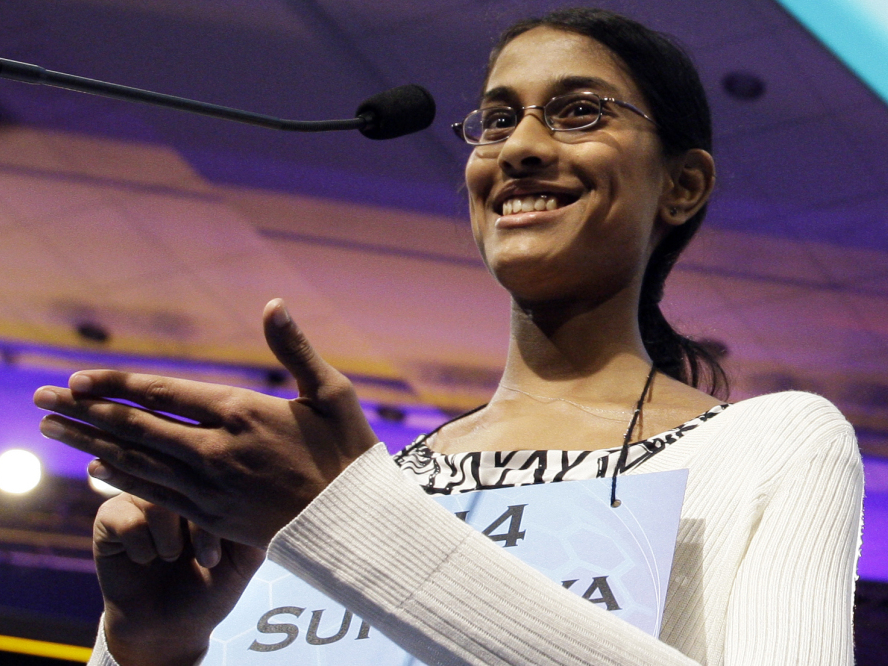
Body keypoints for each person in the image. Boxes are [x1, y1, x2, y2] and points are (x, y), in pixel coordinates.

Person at [33, 7, 862, 665]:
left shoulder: (770, 445)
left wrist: (344, 519)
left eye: (579, 113)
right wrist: (151, 647)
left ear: (682, 186)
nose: (523, 148)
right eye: (498, 120)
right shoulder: (343, 486)